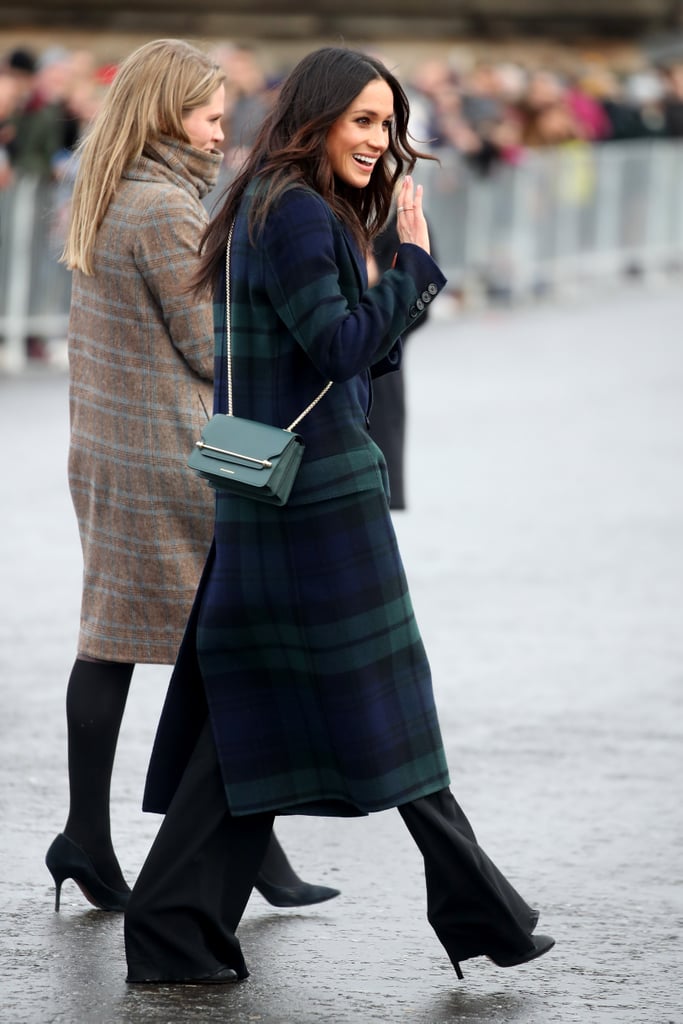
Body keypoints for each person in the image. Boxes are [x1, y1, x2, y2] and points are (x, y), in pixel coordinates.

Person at [123, 45, 555, 986]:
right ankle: (481, 913)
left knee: (260, 718)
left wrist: (390, 278)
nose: (379, 139)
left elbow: (349, 351)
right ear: (315, 117)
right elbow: (341, 342)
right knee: (381, 709)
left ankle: (173, 927)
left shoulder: (272, 204)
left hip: (275, 489)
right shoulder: (296, 214)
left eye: (388, 123)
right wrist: (413, 266)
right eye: (362, 120)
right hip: (311, 499)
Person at [45, 38, 339, 915]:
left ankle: (88, 837)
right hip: (174, 455)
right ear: (167, 112)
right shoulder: (167, 211)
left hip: (111, 449)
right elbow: (212, 346)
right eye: (211, 117)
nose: (223, 134)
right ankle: (237, 849)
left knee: (115, 637)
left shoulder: (112, 191)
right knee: (224, 645)